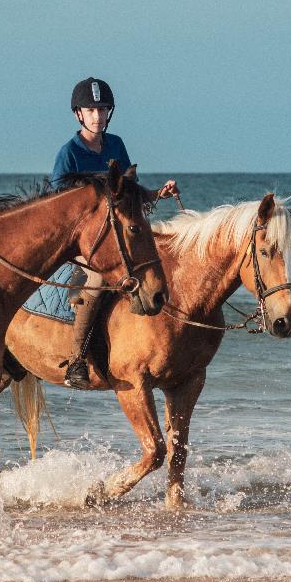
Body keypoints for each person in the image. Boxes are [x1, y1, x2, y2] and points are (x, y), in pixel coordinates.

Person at [50, 77, 179, 388]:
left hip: (113, 237)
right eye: (91, 110)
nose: (98, 116)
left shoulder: (116, 146)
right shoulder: (68, 153)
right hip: (81, 242)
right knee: (95, 282)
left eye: (103, 109)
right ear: (78, 114)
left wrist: (156, 194)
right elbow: (55, 205)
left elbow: (128, 192)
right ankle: (76, 361)